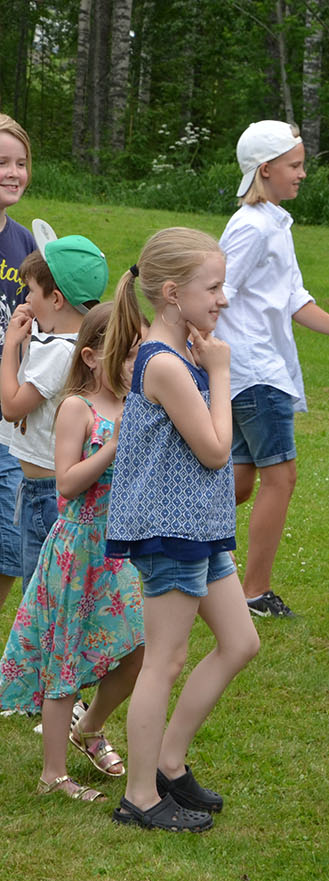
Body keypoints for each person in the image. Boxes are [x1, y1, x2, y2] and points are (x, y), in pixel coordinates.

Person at [103, 227, 261, 832]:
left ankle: (169, 764)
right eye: (213, 287)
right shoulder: (166, 364)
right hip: (170, 531)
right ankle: (139, 796)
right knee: (163, 661)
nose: (223, 297)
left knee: (240, 641)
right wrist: (218, 371)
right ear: (172, 293)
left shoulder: (178, 355)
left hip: (198, 525)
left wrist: (209, 363)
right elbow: (217, 450)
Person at [215, 120, 329, 620]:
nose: (302, 174)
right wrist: (192, 352)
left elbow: (292, 297)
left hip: (254, 368)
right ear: (266, 169)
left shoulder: (273, 221)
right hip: (254, 371)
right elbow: (218, 290)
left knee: (237, 482)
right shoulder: (251, 227)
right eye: (295, 166)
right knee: (283, 478)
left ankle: (179, 550)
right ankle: (253, 591)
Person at [0, 303, 144, 801]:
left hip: (119, 550)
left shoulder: (139, 405)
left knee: (136, 650)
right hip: (78, 548)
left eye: (139, 351)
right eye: (124, 353)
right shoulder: (76, 409)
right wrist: (113, 447)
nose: (134, 362)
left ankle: (89, 728)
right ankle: (52, 774)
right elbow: (67, 482)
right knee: (63, 660)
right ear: (89, 356)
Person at [1, 235, 110, 584]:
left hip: (45, 493)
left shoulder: (59, 351)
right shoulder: (71, 344)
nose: (27, 298)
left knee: (42, 594)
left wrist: (10, 344)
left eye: (31, 290)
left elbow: (12, 407)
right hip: (43, 489)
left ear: (57, 299)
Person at [0, 113, 36, 608]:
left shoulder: (24, 241)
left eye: (21, 163)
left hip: (9, 414)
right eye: (2, 163)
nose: (13, 172)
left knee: (9, 547)